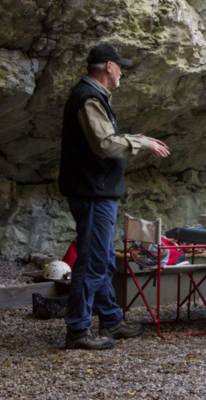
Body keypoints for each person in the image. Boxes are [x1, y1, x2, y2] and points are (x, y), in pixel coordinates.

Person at [59, 43, 171, 350]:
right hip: (93, 192)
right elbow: (105, 144)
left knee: (104, 257)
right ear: (109, 67)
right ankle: (78, 329)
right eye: (119, 66)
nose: (121, 71)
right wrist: (141, 142)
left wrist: (139, 140)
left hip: (95, 191)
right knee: (94, 260)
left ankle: (111, 318)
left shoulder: (92, 96)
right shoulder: (89, 98)